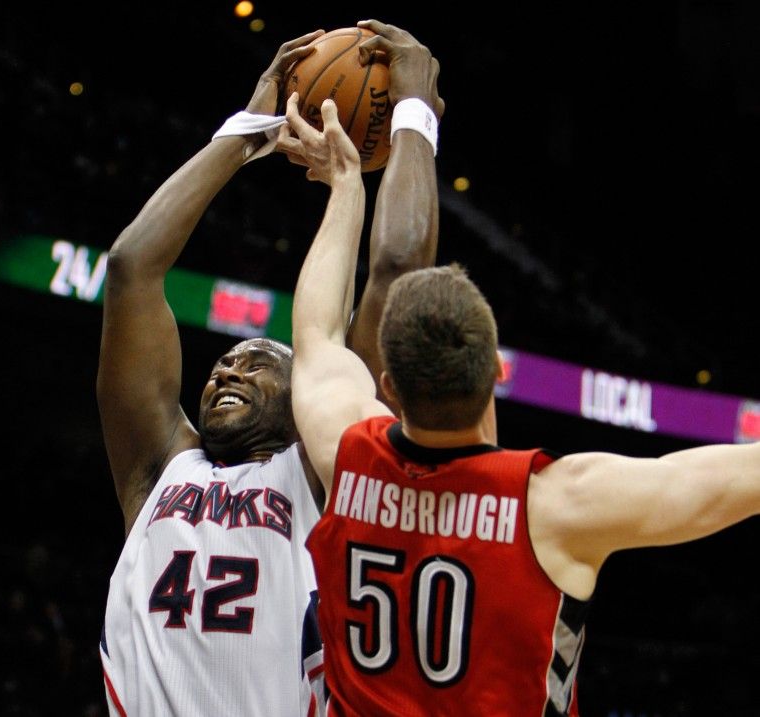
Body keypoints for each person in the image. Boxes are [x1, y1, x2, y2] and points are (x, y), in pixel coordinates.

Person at [284, 90, 760, 715]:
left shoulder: (343, 450)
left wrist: (346, 186)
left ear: (389, 385)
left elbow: (316, 336)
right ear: (494, 374)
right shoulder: (556, 506)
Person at [96, 19, 445, 717]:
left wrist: (414, 113)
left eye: (258, 361)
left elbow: (399, 266)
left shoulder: (323, 474)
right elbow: (132, 267)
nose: (227, 368)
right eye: (225, 360)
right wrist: (244, 135)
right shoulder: (158, 470)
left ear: (306, 395)